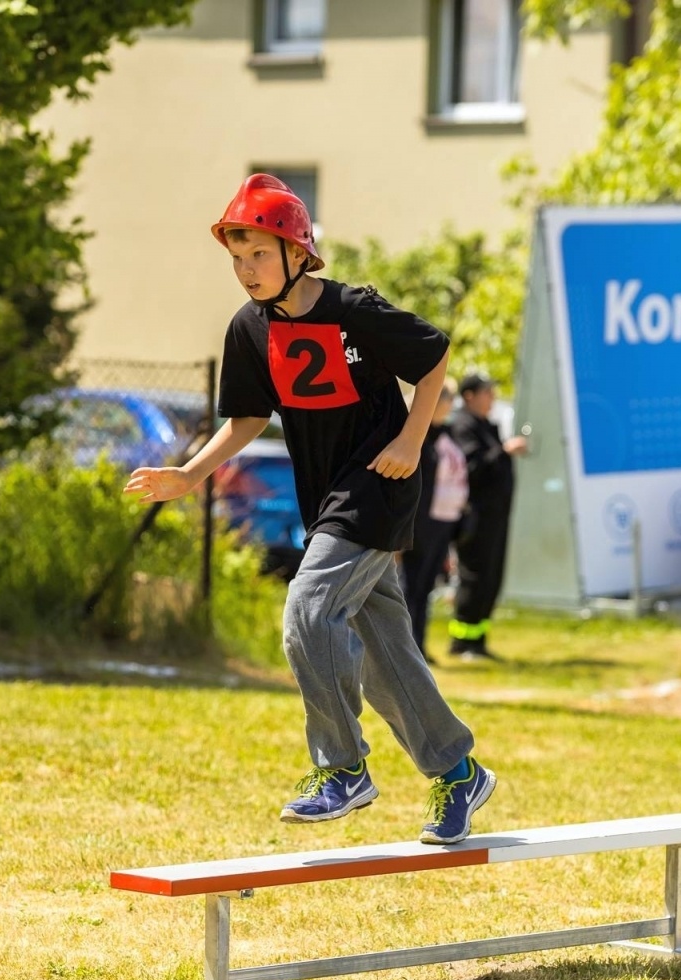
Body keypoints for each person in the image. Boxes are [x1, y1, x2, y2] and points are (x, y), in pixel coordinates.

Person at [124, 175, 495, 845]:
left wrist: (412, 439)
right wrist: (188, 473)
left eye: (259, 255)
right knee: (384, 657)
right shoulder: (249, 329)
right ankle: (458, 770)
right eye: (237, 258)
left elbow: (434, 355)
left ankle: (342, 768)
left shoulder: (355, 309)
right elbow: (244, 421)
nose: (246, 271)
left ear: (299, 251)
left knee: (306, 611)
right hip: (326, 499)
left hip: (380, 482)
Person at [446, 372, 526, 660]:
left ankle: (478, 640)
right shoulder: (463, 426)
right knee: (474, 576)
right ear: (469, 396)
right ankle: (462, 641)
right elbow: (472, 468)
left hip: (496, 516)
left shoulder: (485, 425)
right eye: (487, 392)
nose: (492, 398)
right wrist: (504, 451)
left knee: (491, 577)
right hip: (475, 517)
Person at [399, 385, 468, 661]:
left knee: (426, 588)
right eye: (446, 399)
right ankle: (405, 649)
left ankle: (419, 646)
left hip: (443, 522)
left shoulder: (447, 435)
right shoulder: (418, 436)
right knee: (410, 588)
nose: (451, 404)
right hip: (418, 525)